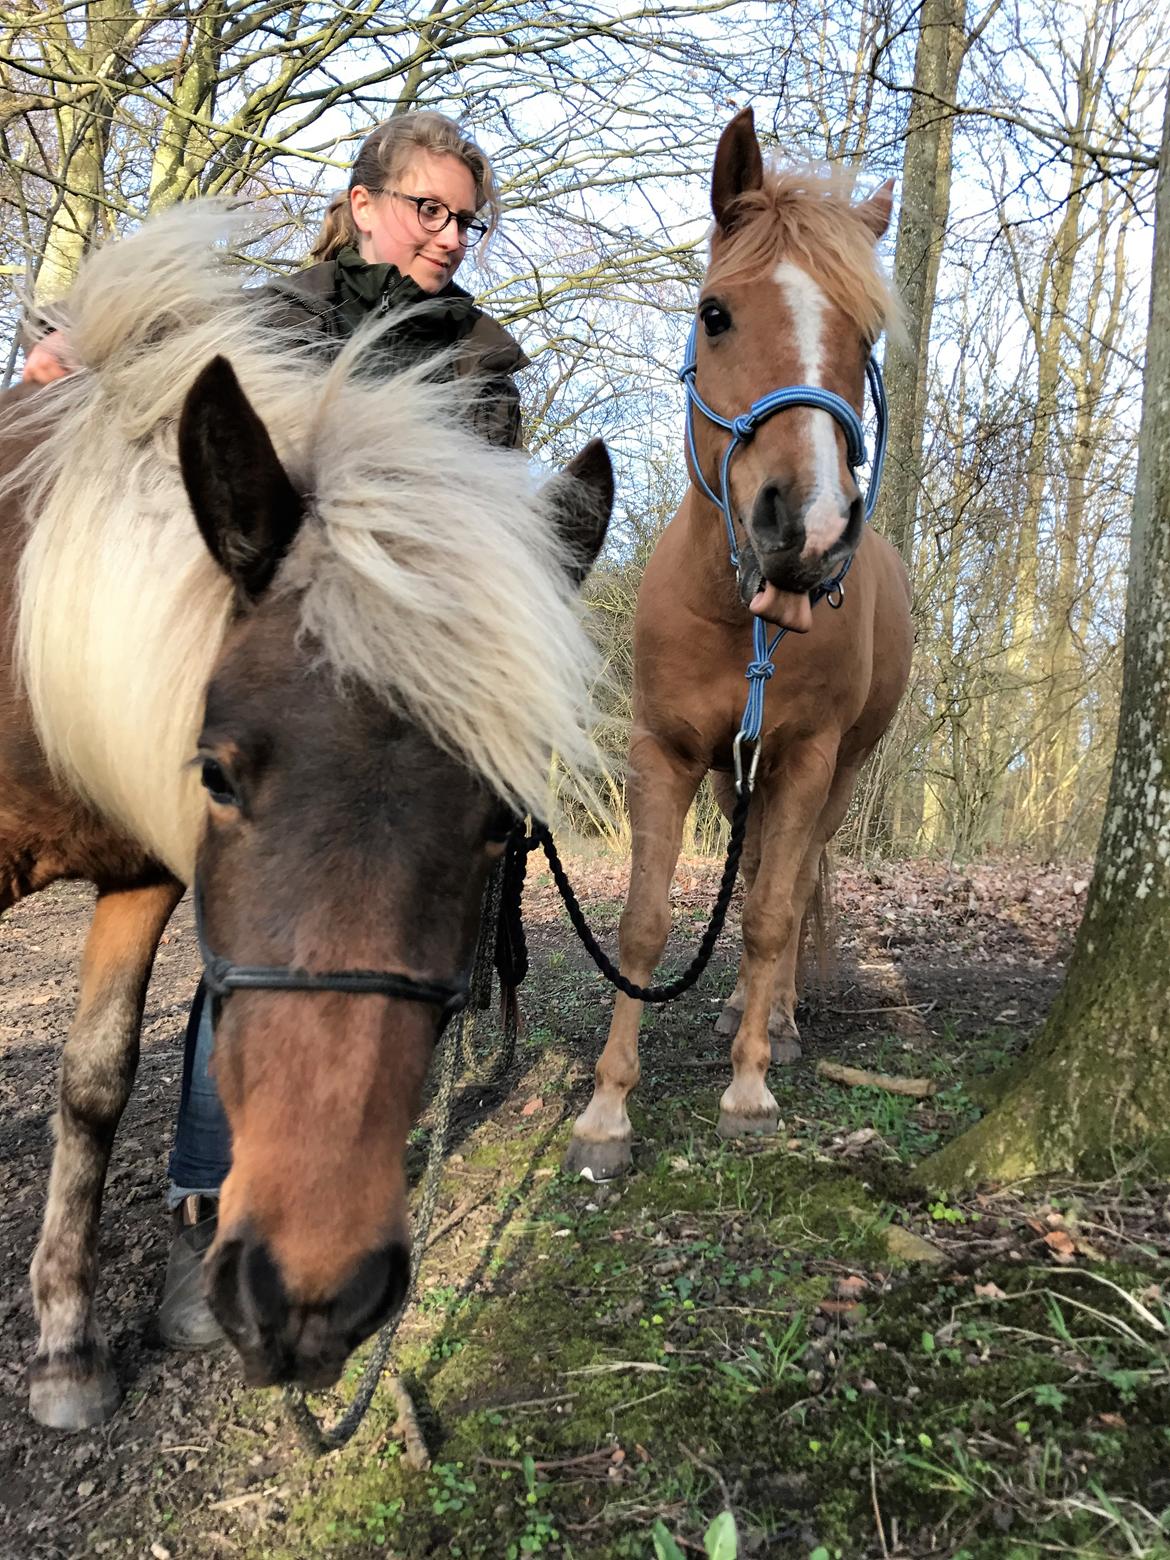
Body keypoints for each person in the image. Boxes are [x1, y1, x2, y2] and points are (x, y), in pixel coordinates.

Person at [23, 111, 529, 1348]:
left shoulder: (479, 366)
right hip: (266, 666)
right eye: (430, 208)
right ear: (364, 204)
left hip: (401, 714)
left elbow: (491, 544)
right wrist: (79, 350)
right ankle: (212, 1185)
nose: (449, 236)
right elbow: (172, 399)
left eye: (467, 220)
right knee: (240, 911)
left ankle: (275, 1194)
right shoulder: (270, 317)